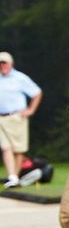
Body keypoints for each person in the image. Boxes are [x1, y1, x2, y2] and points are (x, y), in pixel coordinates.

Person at [0, 52, 41, 188]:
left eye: (4, 63)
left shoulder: (19, 78)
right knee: (6, 148)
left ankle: (15, 179)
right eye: (0, 63)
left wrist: (30, 110)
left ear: (11, 64)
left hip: (17, 118)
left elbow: (36, 92)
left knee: (18, 150)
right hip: (1, 118)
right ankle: (12, 176)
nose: (2, 66)